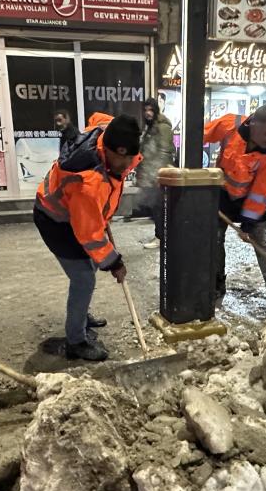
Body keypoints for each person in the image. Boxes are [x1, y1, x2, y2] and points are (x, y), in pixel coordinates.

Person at [33, 113, 142, 361]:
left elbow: (99, 118)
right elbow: (90, 235)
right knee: (83, 278)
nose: (127, 165)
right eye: (123, 159)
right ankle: (76, 342)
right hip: (55, 219)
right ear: (111, 149)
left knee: (90, 265)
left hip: (78, 213)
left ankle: (80, 315)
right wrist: (115, 262)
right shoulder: (88, 183)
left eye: (130, 158)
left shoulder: (108, 133)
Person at [204, 104, 266, 317]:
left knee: (262, 242)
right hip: (221, 194)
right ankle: (217, 286)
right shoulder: (230, 125)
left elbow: (262, 188)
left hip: (251, 198)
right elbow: (198, 135)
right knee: (214, 241)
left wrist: (249, 221)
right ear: (253, 124)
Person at [134, 97, 176, 249]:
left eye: (150, 110)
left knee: (158, 209)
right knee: (154, 208)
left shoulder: (162, 127)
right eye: (145, 110)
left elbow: (165, 152)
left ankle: (162, 237)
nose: (147, 113)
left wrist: (158, 175)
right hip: (150, 174)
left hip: (157, 175)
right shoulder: (149, 127)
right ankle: (162, 236)